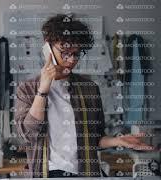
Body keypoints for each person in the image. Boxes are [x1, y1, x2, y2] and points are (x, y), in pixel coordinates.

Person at [14, 14, 154, 178]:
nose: (71, 60)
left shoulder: (89, 89)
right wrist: (43, 89)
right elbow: (28, 134)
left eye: (76, 54)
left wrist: (118, 141)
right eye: (65, 52)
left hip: (85, 174)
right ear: (48, 48)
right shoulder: (27, 89)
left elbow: (95, 139)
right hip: (47, 174)